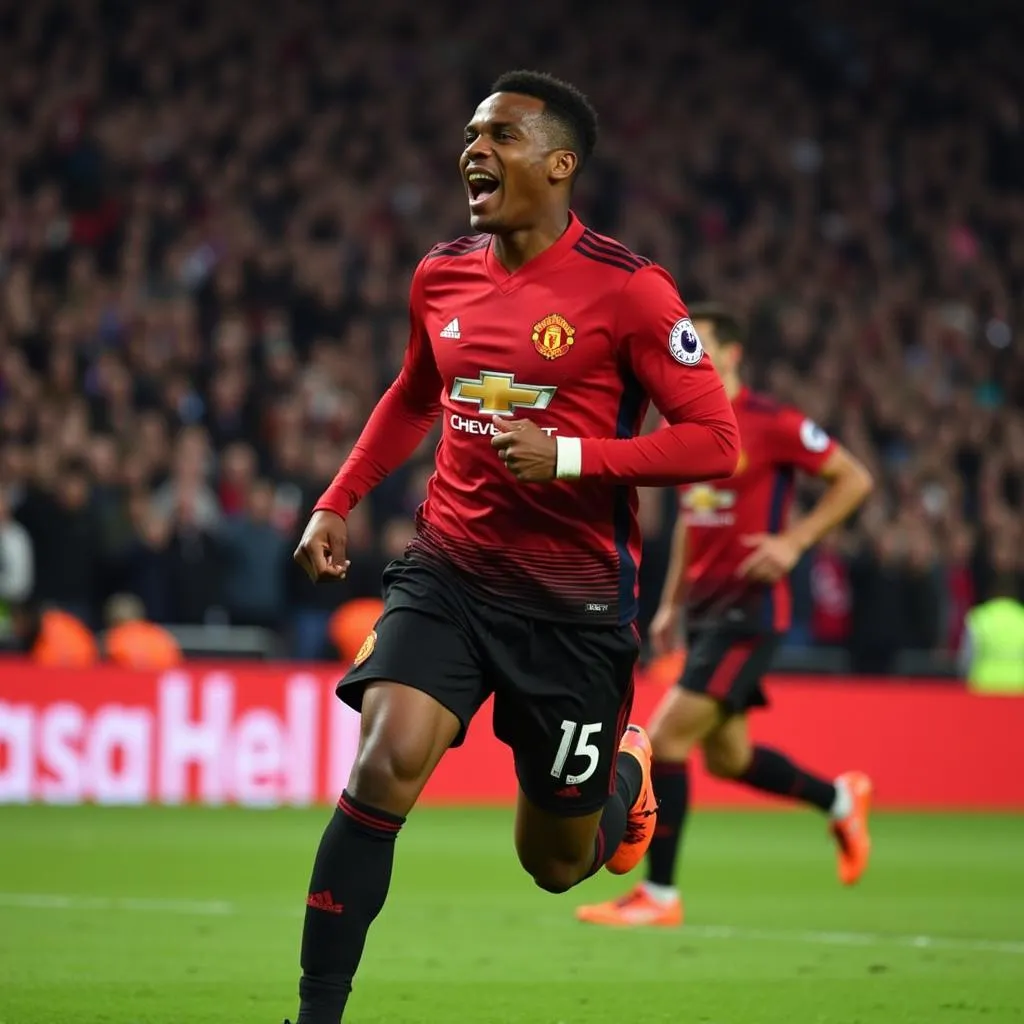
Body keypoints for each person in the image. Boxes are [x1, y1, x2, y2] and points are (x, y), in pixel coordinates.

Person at [286, 71, 740, 1022]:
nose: (475, 151)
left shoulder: (632, 290)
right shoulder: (440, 272)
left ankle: (626, 770)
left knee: (557, 863)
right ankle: (317, 1014)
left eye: (500, 137)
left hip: (573, 609)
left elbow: (715, 441)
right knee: (382, 764)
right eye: (470, 135)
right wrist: (338, 499)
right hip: (447, 572)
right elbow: (415, 393)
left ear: (560, 164)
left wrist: (573, 454)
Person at [576, 303, 874, 929]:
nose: (687, 354)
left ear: (732, 354)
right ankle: (840, 799)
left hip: (751, 611)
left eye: (700, 343)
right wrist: (671, 605)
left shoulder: (773, 422)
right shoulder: (692, 425)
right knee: (729, 759)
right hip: (706, 612)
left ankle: (659, 896)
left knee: (663, 741)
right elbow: (692, 516)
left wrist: (794, 542)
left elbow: (854, 479)